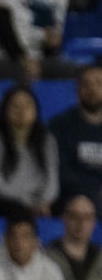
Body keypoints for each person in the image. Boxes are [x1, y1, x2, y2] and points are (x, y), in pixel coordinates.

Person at [0, 85, 59, 218]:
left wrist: (44, 201)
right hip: (4, 200)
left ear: (36, 110)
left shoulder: (47, 140)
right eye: (15, 106)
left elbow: (52, 179)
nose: (21, 110)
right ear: (4, 110)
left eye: (27, 105)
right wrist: (26, 201)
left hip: (39, 203)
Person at [48, 65, 102, 211]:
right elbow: (61, 171)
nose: (92, 89)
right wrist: (95, 189)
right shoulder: (60, 125)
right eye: (86, 83)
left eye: (98, 83)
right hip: (71, 197)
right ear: (77, 89)